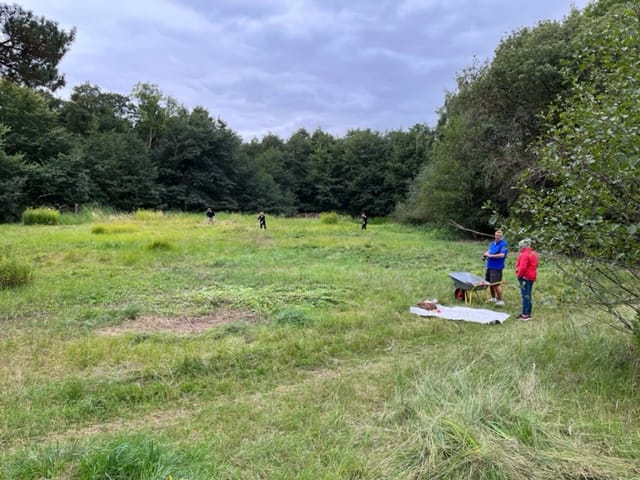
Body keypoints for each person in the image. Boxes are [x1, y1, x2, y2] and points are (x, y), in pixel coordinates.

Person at [515, 238, 539, 321]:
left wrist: (519, 275)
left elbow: (522, 267)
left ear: (523, 246)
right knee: (528, 295)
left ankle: (525, 315)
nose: (519, 248)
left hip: (525, 277)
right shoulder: (533, 253)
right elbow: (536, 265)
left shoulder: (524, 254)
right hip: (532, 276)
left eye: (520, 247)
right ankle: (528, 313)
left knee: (525, 295)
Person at [483, 229, 508, 305]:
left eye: (499, 236)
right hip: (489, 265)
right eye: (496, 235)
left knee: (496, 284)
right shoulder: (492, 243)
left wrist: (491, 255)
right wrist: (485, 255)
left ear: (501, 237)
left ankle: (500, 300)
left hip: (497, 267)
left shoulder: (503, 244)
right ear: (494, 235)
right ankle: (493, 298)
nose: (497, 237)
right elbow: (489, 251)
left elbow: (502, 255)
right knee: (490, 283)